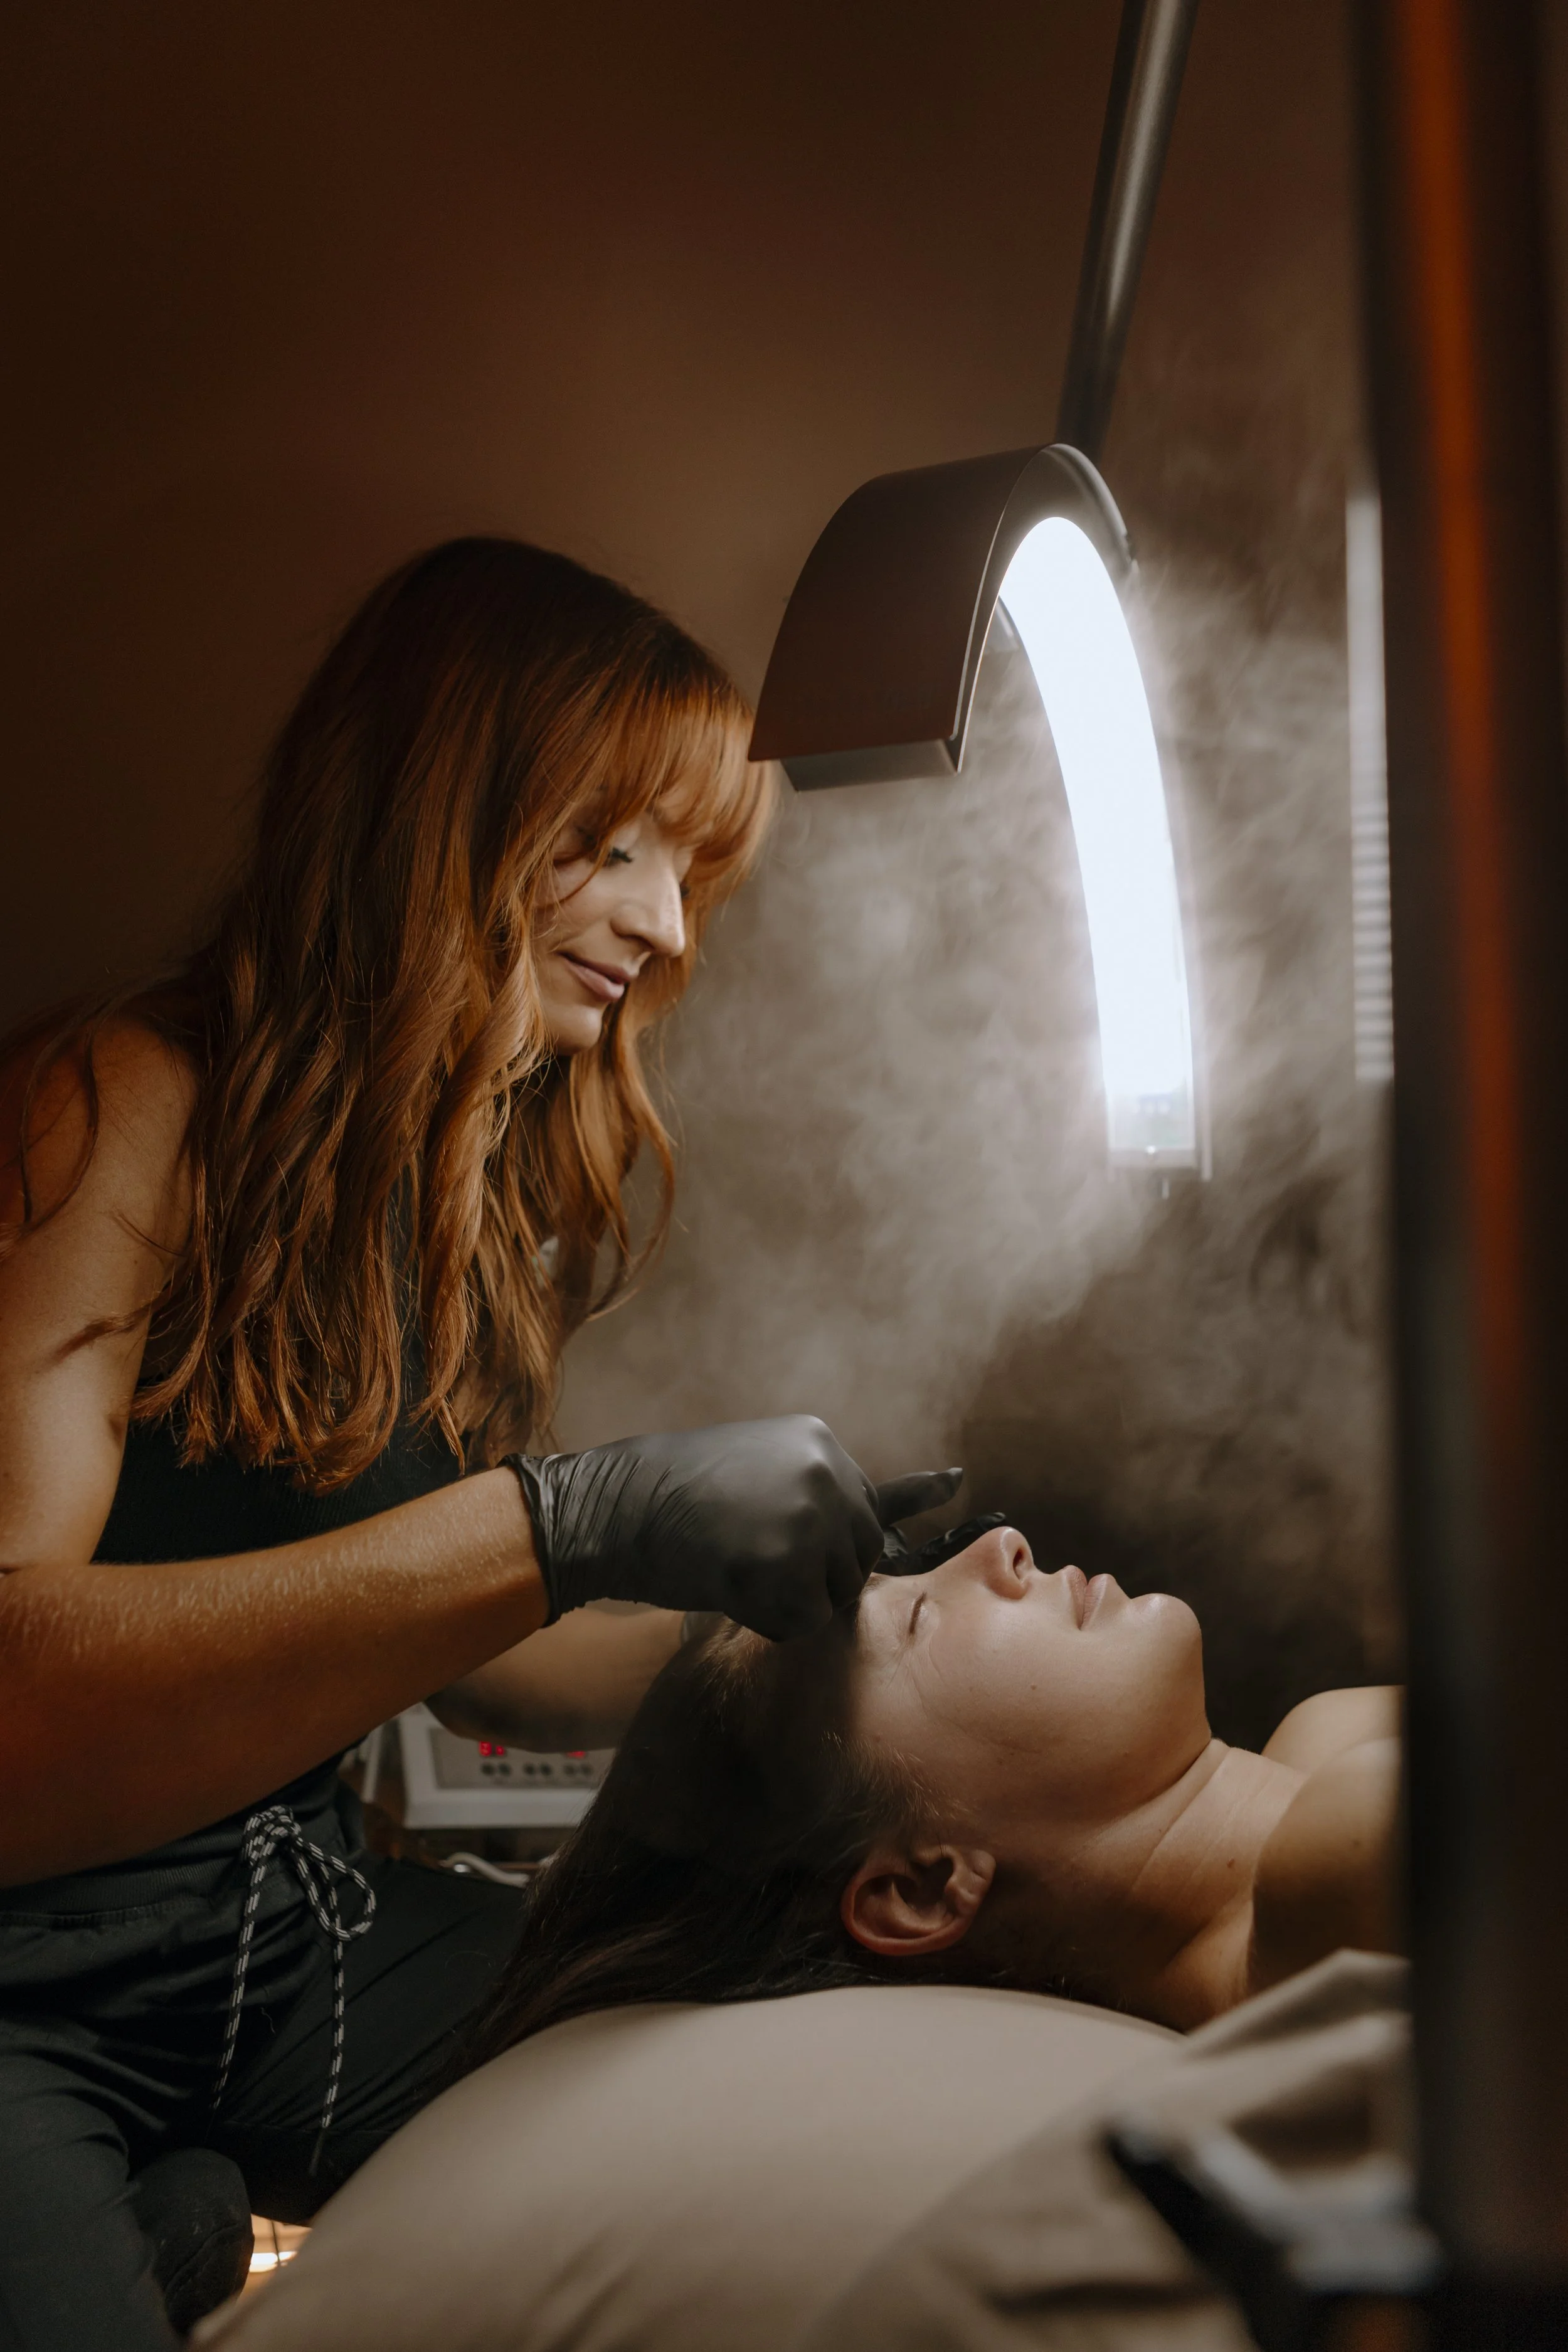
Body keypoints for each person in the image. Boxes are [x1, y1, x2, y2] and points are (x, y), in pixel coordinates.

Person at [0, 536, 951, 2351]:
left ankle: (180, 2203)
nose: (669, 924)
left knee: (768, 2016)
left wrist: (776, 1603)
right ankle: (166, 2221)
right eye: (616, 840)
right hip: (26, 1978)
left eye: (693, 868)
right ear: (433, 809)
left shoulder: (466, 1194)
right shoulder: (116, 1102)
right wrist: (579, 1513)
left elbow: (463, 1617)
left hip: (283, 1934)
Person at [474, 1521, 1402, 2055]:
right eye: (917, 1616)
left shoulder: (1314, 1749)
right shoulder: (1336, 1867)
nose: (1003, 1545)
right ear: (923, 1884)